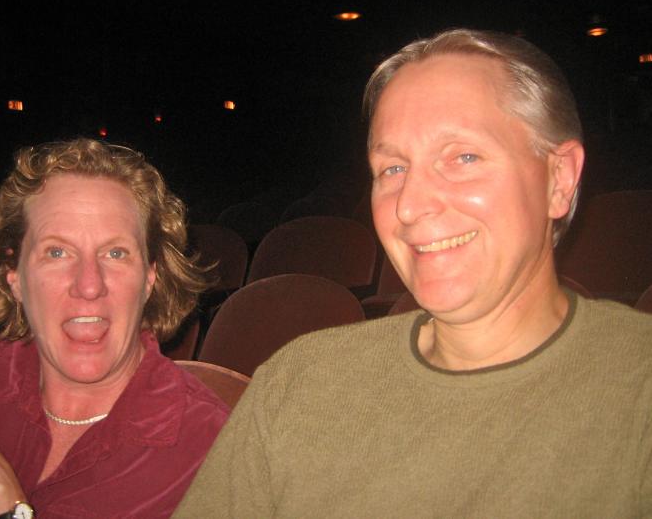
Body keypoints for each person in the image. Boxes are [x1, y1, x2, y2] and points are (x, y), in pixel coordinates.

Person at [173, 29, 652, 517]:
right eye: (393, 169)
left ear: (560, 178)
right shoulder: (300, 384)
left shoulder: (637, 385)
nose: (410, 205)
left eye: (463, 157)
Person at [0, 138, 229, 518]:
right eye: (57, 252)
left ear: (150, 278)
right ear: (15, 276)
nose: (89, 285)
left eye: (115, 253)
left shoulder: (207, 449)